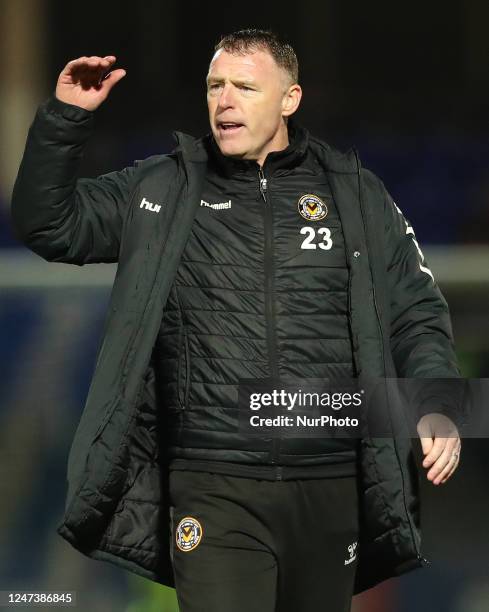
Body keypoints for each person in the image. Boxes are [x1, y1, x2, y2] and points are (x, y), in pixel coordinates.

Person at [11, 29, 465, 612]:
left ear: (289, 99)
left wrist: (442, 405)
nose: (224, 100)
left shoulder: (354, 192)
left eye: (245, 87)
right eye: (215, 86)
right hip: (211, 486)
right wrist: (65, 118)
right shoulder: (162, 187)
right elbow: (48, 225)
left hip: (332, 482)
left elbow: (416, 308)